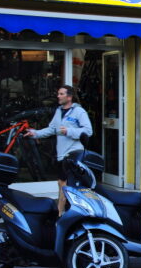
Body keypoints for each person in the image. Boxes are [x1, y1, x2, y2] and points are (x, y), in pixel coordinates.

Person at [25, 85, 93, 216]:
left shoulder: (79, 112)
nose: (58, 96)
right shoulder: (58, 111)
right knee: (62, 183)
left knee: (64, 184)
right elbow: (52, 129)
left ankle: (60, 213)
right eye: (58, 94)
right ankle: (65, 212)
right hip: (62, 154)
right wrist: (35, 133)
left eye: (61, 94)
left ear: (69, 97)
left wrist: (69, 131)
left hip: (74, 153)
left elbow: (88, 131)